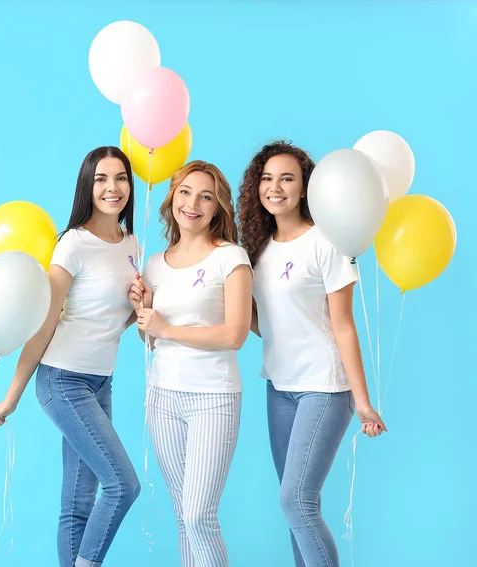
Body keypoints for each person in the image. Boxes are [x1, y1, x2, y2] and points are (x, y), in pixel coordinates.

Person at [0, 146, 141, 567]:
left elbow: (109, 321)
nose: (112, 187)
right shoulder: (72, 244)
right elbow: (44, 325)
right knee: (122, 485)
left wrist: (139, 305)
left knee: (78, 503)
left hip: (101, 382)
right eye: (101, 178)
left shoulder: (131, 244)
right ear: (87, 185)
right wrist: (12, 397)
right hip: (63, 381)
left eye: (120, 177)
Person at [237, 140, 387, 567]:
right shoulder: (257, 248)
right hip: (279, 387)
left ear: (305, 188)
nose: (275, 187)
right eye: (267, 178)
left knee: (296, 500)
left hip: (324, 387)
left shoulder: (328, 241)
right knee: (297, 510)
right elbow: (261, 322)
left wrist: (362, 402)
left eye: (287, 178)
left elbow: (343, 324)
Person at [129, 160, 253, 567]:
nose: (193, 203)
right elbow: (150, 340)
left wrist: (165, 329)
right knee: (184, 517)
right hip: (163, 398)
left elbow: (234, 334)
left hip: (213, 398)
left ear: (218, 207)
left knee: (200, 515)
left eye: (206, 196)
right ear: (172, 198)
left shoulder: (231, 258)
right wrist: (143, 313)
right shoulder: (155, 265)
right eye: (185, 192)